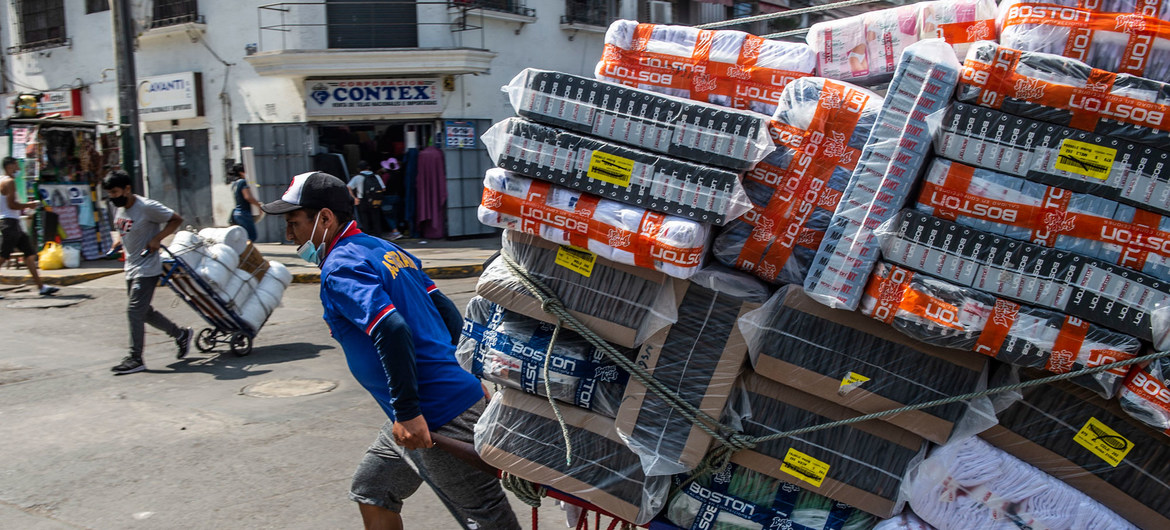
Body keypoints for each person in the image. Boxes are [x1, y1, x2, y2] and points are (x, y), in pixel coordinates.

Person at [260, 172, 519, 530]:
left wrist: (410, 413)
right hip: (430, 403)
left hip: (431, 414)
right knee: (372, 489)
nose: (289, 236)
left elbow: (392, 328)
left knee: (485, 516)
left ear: (324, 218)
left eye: (293, 224)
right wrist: (473, 374)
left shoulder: (339, 268)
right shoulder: (385, 249)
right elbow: (443, 308)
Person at [102, 171, 192, 375]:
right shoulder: (120, 207)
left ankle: (135, 358)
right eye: (109, 194)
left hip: (147, 267)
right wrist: (118, 242)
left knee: (134, 311)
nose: (112, 197)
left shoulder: (147, 207)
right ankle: (181, 334)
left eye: (115, 192)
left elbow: (176, 219)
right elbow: (124, 228)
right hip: (131, 266)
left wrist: (157, 238)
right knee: (144, 312)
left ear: (127, 189)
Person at [0, 157, 58, 296]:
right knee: (2, 257)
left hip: (13, 222)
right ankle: (41, 287)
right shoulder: (10, 181)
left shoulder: (2, 180)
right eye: (15, 165)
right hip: (10, 224)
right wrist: (29, 205)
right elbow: (12, 205)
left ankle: (41, 287)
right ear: (9, 166)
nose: (18, 169)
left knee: (30, 254)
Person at [346, 161, 384, 237]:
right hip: (375, 201)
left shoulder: (357, 177)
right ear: (368, 167)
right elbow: (383, 188)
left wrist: (354, 198)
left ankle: (366, 236)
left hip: (362, 201)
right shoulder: (376, 176)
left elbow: (348, 187)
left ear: (359, 169)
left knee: (364, 220)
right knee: (376, 219)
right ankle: (378, 236)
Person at [226, 163, 263, 242]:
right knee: (251, 236)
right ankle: (247, 253)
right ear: (241, 172)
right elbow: (248, 197)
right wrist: (258, 205)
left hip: (237, 213)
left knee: (243, 236)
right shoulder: (243, 182)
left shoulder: (234, 183)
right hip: (244, 213)